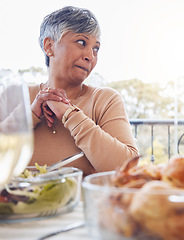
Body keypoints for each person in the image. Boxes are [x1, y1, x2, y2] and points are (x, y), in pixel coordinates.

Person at [29, 6, 139, 176]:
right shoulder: (18, 97)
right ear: (49, 46)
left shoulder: (105, 100)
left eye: (96, 48)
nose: (91, 56)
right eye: (82, 42)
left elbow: (129, 169)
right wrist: (30, 116)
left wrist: (70, 114)